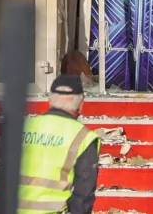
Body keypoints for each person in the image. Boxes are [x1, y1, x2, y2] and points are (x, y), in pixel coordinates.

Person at [18, 74, 101, 214]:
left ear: (49, 100)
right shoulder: (83, 137)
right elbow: (83, 195)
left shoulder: (25, 128)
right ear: (81, 105)